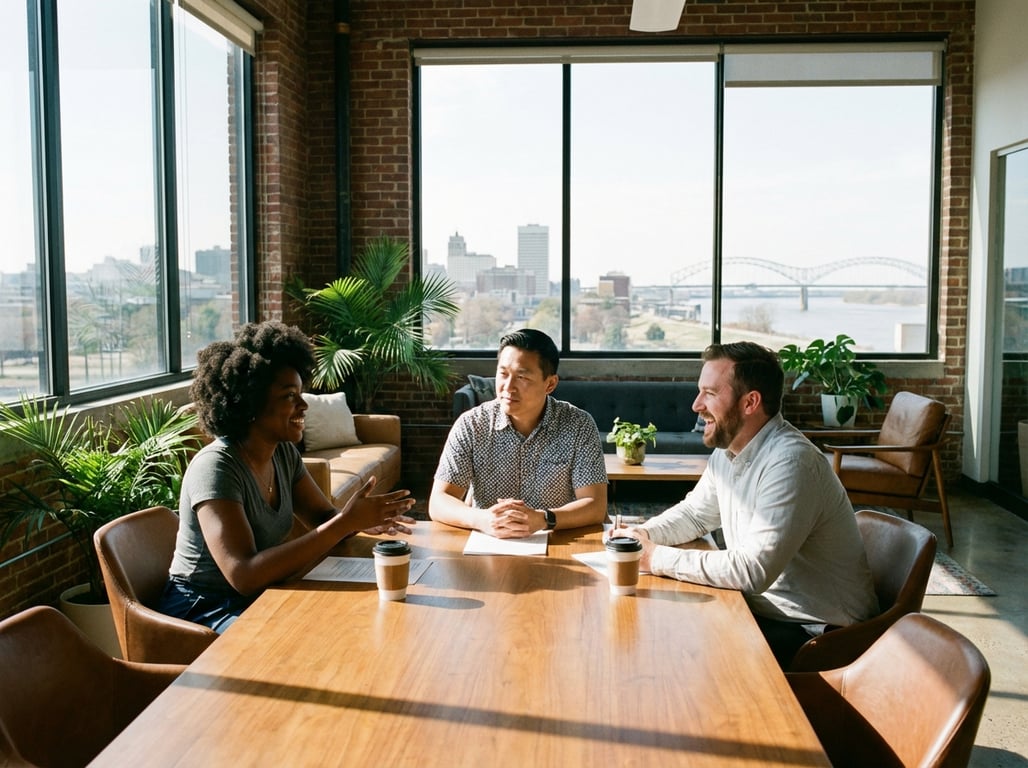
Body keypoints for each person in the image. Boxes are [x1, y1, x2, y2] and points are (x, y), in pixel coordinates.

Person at [612, 341, 878, 667]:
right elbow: (695, 515)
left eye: (710, 393)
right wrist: (640, 535)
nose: (696, 405)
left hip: (820, 635)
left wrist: (654, 558)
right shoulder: (729, 452)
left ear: (750, 402)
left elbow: (752, 572)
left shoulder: (791, 463)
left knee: (675, 647)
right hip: (768, 611)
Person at [158, 321, 416, 632]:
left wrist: (357, 520)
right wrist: (344, 523)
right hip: (204, 608)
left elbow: (323, 518)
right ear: (250, 404)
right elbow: (243, 575)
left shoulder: (282, 453)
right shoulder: (216, 468)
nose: (304, 405)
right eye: (289, 396)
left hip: (260, 594)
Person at [430, 328, 607, 539]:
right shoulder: (471, 425)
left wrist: (543, 519)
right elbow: (439, 501)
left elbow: (595, 505)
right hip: (487, 545)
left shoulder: (578, 425)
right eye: (503, 374)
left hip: (557, 542)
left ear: (550, 384)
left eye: (522, 377)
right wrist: (482, 519)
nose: (508, 387)